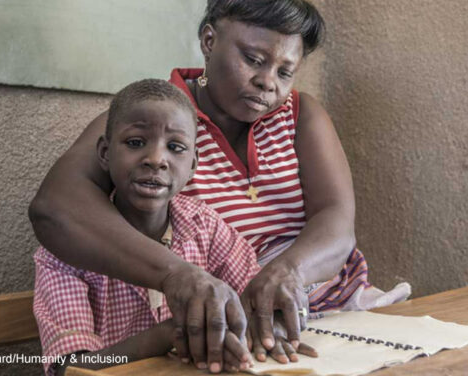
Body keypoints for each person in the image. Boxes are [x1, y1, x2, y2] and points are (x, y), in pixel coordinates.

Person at [29, 0, 410, 373]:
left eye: (285, 71)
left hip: (323, 314)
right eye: (254, 60)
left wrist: (289, 270)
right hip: (228, 328)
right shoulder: (154, 121)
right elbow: (56, 209)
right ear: (209, 40)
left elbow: (337, 222)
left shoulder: (301, 115)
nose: (267, 82)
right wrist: (178, 277)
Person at [33, 79, 263, 376]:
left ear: (193, 165)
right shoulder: (66, 251)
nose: (156, 160)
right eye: (135, 142)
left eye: (175, 147)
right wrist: (172, 335)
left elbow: (253, 297)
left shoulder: (204, 226)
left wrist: (245, 326)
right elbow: (71, 368)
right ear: (104, 153)